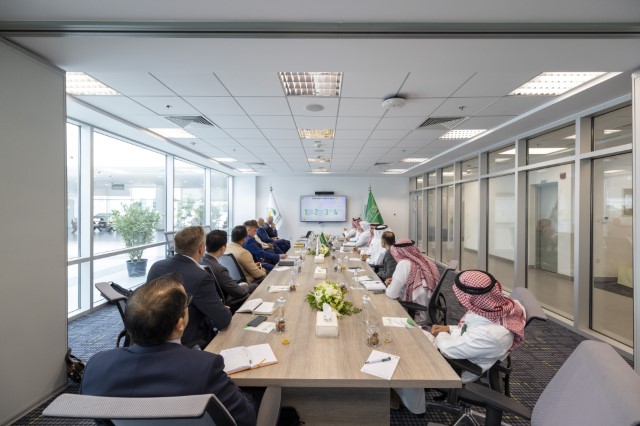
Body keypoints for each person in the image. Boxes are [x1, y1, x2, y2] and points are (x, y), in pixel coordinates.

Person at [80, 274, 257, 426]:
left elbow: (102, 420)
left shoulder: (96, 366)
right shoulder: (204, 367)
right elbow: (245, 419)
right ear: (180, 324)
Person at [394, 269, 526, 414]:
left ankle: (415, 406)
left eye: (461, 296)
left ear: (472, 298)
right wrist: (448, 329)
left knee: (404, 355)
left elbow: (448, 350)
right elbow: (469, 329)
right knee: (406, 333)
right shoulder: (494, 307)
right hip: (462, 349)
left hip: (459, 366)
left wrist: (442, 333)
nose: (459, 299)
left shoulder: (491, 334)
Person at [147, 226, 231, 347]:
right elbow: (223, 320)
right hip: (187, 339)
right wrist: (222, 309)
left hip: (153, 336)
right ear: (201, 248)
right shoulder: (201, 277)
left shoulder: (156, 266)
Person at [201, 229, 260, 312]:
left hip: (211, 302)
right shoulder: (219, 269)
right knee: (254, 286)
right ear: (223, 248)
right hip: (227, 301)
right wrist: (245, 285)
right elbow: (238, 292)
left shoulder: (201, 260)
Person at [384, 238, 439, 323]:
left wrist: (389, 285)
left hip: (415, 315)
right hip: (430, 313)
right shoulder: (424, 260)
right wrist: (395, 281)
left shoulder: (404, 264)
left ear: (398, 251)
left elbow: (392, 294)